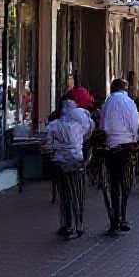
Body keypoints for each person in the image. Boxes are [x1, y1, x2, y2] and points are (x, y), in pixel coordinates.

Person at [45, 99, 93, 239]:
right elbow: (86, 134)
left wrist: (53, 150)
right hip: (76, 161)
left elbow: (47, 143)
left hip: (61, 161)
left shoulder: (54, 125)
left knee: (65, 193)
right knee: (76, 193)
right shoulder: (78, 125)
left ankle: (68, 224)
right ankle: (78, 224)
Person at [99, 78, 139, 236]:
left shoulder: (107, 103)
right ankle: (122, 216)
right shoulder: (128, 102)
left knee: (113, 182)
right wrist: (135, 138)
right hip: (125, 145)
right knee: (124, 182)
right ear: (125, 88)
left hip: (111, 146)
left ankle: (115, 218)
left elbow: (103, 126)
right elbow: (134, 123)